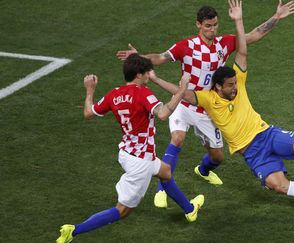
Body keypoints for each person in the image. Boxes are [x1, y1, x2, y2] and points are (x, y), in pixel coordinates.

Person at [151, 0, 294, 220]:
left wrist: (244, 20)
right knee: (277, 185)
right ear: (218, 86)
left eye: (235, 83)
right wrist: (156, 78)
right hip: (251, 152)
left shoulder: (236, 79)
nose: (235, 88)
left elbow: (243, 51)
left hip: (266, 133)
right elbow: (185, 94)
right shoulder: (207, 99)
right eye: (230, 86)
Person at [117, 0, 294, 209]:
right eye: (208, 26)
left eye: (215, 25)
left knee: (217, 156)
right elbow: (160, 57)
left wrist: (276, 17)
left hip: (209, 108)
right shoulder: (186, 46)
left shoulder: (225, 43)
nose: (212, 30)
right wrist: (139, 57)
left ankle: (203, 171)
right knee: (177, 138)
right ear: (198, 25)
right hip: (185, 102)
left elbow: (252, 36)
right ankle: (161, 189)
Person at [56, 54, 204, 243]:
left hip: (127, 152)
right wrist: (182, 89)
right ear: (139, 75)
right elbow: (163, 114)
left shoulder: (113, 94)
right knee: (122, 210)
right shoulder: (143, 93)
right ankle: (74, 231)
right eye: (147, 74)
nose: (149, 77)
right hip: (140, 161)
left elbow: (88, 112)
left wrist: (90, 90)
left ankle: (190, 210)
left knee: (165, 172)